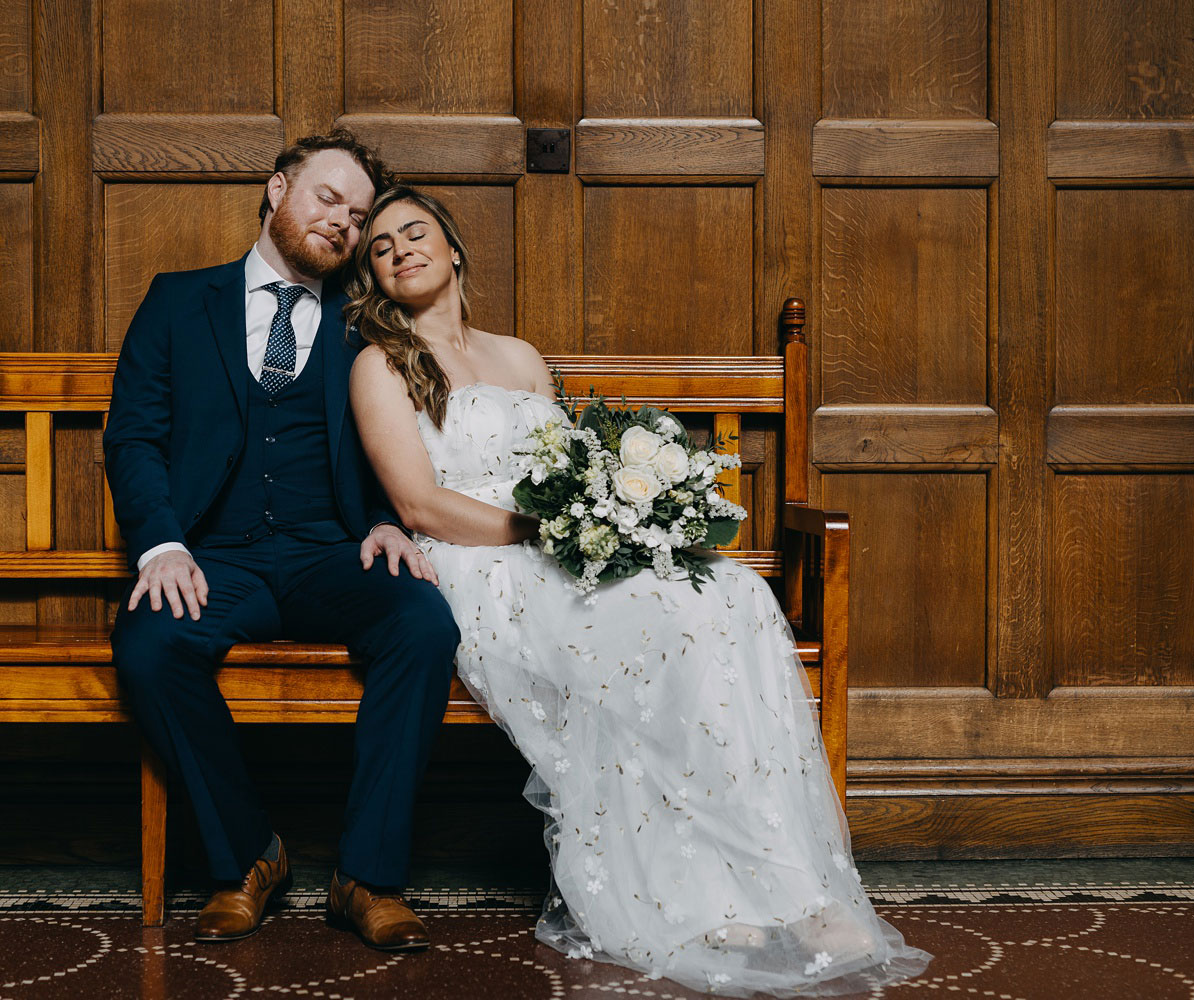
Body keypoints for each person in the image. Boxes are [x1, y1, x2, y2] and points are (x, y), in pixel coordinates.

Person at [346, 186, 932, 996]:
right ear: (375, 278)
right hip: (476, 560)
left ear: (453, 250)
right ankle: (690, 897)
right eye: (380, 247)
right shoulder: (380, 365)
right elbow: (418, 505)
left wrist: (608, 519)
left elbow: (561, 473)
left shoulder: (519, 358)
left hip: (556, 544)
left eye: (415, 233)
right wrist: (541, 534)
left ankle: (793, 887)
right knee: (648, 631)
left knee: (731, 598)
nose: (400, 249)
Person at [103, 133, 457, 951]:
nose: (342, 222)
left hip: (328, 553)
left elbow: (390, 442)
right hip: (211, 556)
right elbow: (135, 439)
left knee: (423, 622)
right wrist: (160, 546)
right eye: (328, 198)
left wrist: (383, 522)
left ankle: (367, 876)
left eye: (358, 214)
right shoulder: (175, 301)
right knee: (149, 645)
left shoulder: (367, 324)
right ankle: (249, 856)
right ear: (276, 190)